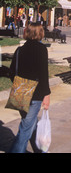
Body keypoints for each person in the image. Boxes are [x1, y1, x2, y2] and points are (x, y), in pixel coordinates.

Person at [8, 23, 51, 153]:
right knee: (25, 128)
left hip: (20, 90)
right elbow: (44, 73)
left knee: (29, 123)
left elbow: (11, 71)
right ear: (40, 33)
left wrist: (19, 83)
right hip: (35, 93)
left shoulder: (20, 49)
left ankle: (41, 150)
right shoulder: (41, 49)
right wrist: (47, 94)